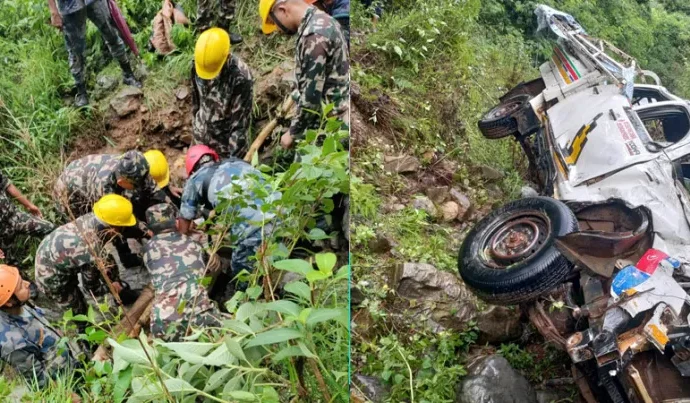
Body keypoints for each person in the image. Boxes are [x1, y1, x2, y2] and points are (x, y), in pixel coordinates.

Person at [176, 145, 278, 290]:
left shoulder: (194, 180)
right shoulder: (238, 163)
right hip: (281, 211)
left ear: (192, 168)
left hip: (254, 229)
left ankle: (245, 297)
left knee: (240, 270)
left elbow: (183, 228)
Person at [259, 0, 349, 150]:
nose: (277, 30)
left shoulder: (313, 36)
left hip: (328, 128)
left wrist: (293, 133)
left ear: (282, 10)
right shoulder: (322, 20)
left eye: (274, 22)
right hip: (332, 118)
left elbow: (311, 96)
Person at [34, 194, 136, 320]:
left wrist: (114, 280)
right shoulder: (91, 249)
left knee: (108, 261)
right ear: (113, 227)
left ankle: (121, 294)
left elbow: (104, 259)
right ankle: (84, 331)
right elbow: (91, 288)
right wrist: (110, 288)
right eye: (123, 227)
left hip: (58, 256)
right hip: (50, 278)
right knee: (78, 310)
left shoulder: (95, 218)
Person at [143, 204, 225, 340]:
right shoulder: (195, 244)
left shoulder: (147, 250)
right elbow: (210, 270)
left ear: (150, 230)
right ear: (176, 222)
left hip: (164, 323)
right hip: (202, 317)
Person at [0, 264, 80, 395]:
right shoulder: (12, 342)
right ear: (9, 302)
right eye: (20, 286)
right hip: (63, 383)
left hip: (67, 363)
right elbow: (38, 380)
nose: (27, 284)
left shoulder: (20, 304)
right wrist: (68, 395)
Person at [47, 0, 142, 108]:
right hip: (68, 6)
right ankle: (82, 93)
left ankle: (128, 74)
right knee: (75, 50)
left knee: (111, 33)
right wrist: (53, 11)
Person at [191, 28, 254, 159]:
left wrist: (233, 163)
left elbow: (239, 127)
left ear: (227, 56)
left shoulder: (240, 78)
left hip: (224, 149)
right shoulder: (200, 64)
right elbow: (196, 101)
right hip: (200, 139)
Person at [53, 150, 159, 220]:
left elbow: (150, 186)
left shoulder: (131, 164)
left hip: (86, 171)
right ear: (121, 182)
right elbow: (117, 217)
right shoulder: (104, 188)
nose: (141, 185)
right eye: (136, 185)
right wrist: (145, 230)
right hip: (67, 194)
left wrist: (166, 203)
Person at [0, 171, 55, 269]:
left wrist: (29, 205)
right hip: (1, 234)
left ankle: (56, 263)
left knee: (50, 229)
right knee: (12, 268)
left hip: (15, 216)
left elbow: (6, 184)